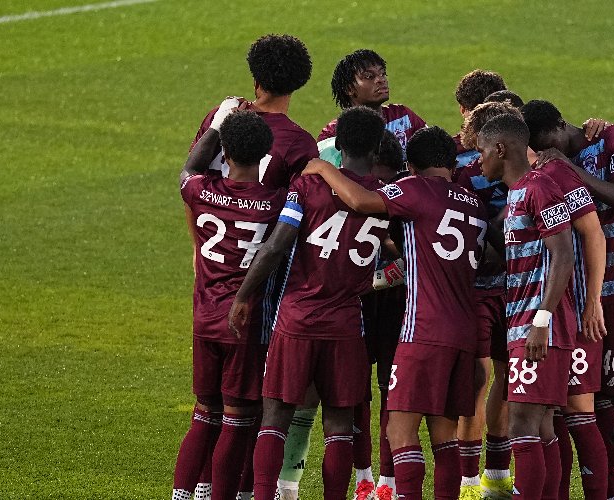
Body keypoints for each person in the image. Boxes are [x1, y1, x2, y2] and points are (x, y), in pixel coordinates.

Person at [300, 126, 488, 500]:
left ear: (412, 166)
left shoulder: (417, 189)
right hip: (465, 332)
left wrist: (322, 168)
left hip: (423, 330)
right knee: (444, 437)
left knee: (400, 433)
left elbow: (360, 200)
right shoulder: (474, 203)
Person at [230, 106, 394, 500]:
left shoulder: (307, 189)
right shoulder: (383, 200)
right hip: (346, 326)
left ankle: (267, 494)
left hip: (297, 321)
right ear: (376, 149)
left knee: (275, 417)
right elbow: (401, 256)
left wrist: (242, 296)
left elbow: (274, 248)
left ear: (338, 146)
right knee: (339, 426)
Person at [524, 99, 614, 500]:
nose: (544, 153)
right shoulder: (556, 166)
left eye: (543, 144)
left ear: (556, 127)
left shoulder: (611, 138)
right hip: (586, 295)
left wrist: (570, 168)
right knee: (591, 398)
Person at [170, 111, 286, 500]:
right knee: (237, 422)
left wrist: (218, 125)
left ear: (226, 153)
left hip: (204, 320)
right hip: (246, 325)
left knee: (203, 414)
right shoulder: (276, 202)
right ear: (267, 152)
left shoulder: (201, 190)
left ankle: (183, 494)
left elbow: (188, 168)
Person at [475, 113, 580, 500]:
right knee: (543, 429)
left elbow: (564, 255)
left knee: (522, 426)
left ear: (501, 149)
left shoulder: (540, 188)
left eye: (482, 151)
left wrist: (541, 319)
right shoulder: (519, 193)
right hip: (528, 324)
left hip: (539, 327)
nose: (478, 160)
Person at [184, 34, 317, 190]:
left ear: (256, 81)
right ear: (298, 83)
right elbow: (299, 205)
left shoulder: (218, 116)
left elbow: (190, 181)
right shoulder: (299, 143)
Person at [317, 49, 429, 165]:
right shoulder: (334, 133)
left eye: (383, 73)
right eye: (369, 76)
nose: (381, 80)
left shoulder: (403, 116)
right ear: (349, 89)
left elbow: (434, 153)